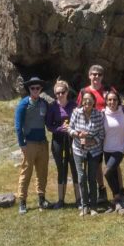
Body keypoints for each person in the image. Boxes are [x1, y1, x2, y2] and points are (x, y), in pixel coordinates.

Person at [79, 64, 119, 202]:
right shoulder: (84, 91)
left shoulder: (109, 89)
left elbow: (117, 104)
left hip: (109, 130)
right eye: (93, 74)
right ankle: (101, 189)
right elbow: (80, 109)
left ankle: (119, 191)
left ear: (102, 76)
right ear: (89, 75)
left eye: (99, 74)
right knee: (96, 163)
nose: (96, 76)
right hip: (92, 132)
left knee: (114, 162)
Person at [13, 77, 51, 214]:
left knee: (42, 172)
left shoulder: (44, 104)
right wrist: (22, 143)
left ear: (41, 90)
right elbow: (17, 125)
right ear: (29, 89)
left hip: (42, 143)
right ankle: (22, 202)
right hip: (29, 144)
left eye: (38, 88)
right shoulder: (23, 104)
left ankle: (42, 198)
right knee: (26, 172)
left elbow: (50, 119)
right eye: (32, 88)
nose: (35, 90)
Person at [44, 79, 79, 209]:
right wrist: (59, 129)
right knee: (61, 169)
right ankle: (60, 200)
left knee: (75, 168)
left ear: (67, 92)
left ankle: (79, 199)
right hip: (58, 141)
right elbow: (48, 125)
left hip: (72, 140)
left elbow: (79, 121)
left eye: (62, 92)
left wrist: (72, 129)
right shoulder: (52, 107)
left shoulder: (74, 105)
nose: (60, 95)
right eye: (57, 93)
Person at [69, 89, 105, 216]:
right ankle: (84, 206)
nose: (87, 102)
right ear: (81, 101)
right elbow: (70, 129)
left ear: (94, 102)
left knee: (92, 177)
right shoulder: (76, 113)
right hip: (79, 149)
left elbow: (101, 134)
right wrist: (78, 134)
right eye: (85, 100)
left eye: (90, 100)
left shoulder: (99, 115)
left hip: (94, 151)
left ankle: (94, 206)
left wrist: (91, 141)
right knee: (82, 177)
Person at [101, 90, 124, 213]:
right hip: (106, 148)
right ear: (106, 101)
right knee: (112, 174)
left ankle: (117, 197)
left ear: (118, 101)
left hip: (120, 148)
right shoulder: (102, 113)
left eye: (114, 99)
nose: (112, 102)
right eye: (109, 100)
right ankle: (118, 199)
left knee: (107, 172)